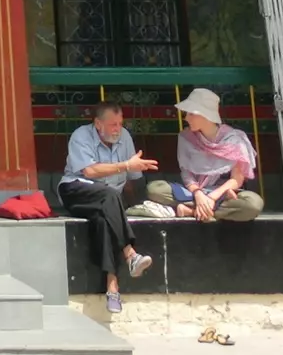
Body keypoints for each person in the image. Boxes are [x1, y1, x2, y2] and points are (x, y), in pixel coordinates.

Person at [56, 101, 157, 314]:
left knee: (105, 219)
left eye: (120, 124)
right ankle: (130, 254)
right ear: (98, 124)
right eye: (112, 124)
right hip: (76, 190)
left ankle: (112, 288)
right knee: (109, 195)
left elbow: (133, 181)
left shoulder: (125, 138)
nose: (117, 129)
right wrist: (126, 165)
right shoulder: (81, 136)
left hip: (109, 199)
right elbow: (90, 172)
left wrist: (139, 205)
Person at [148, 87, 265, 222]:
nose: (186, 118)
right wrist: (198, 194)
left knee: (253, 204)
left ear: (205, 115)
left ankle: (192, 212)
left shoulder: (234, 139)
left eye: (191, 114)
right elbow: (186, 173)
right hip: (194, 193)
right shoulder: (186, 137)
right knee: (155, 189)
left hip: (221, 194)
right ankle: (207, 211)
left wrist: (212, 197)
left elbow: (236, 179)